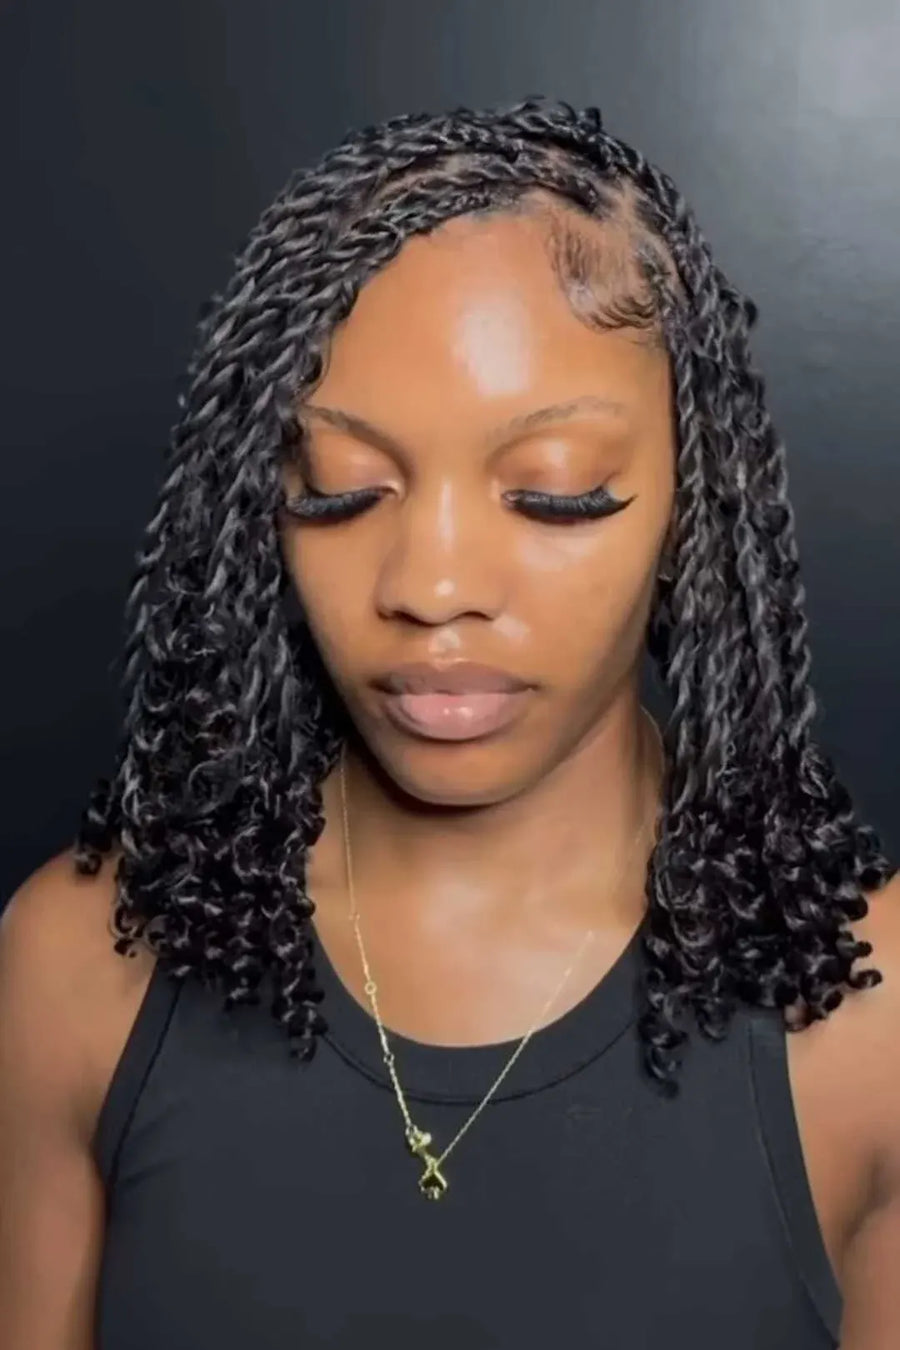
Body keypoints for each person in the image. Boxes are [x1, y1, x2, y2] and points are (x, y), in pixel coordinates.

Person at [0, 97, 897, 1350]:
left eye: (553, 496)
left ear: (700, 509)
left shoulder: (873, 1016)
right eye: (342, 492)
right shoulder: (79, 965)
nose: (428, 586)